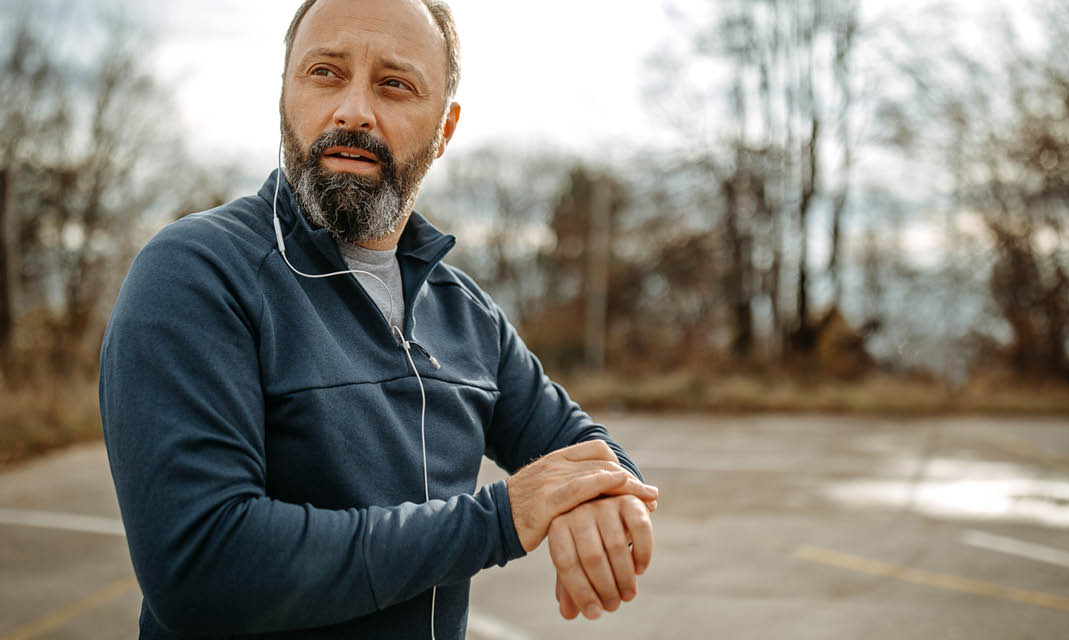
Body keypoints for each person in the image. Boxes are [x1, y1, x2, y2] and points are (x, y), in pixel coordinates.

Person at [98, 0, 658, 638]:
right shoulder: (195, 273)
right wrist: (500, 520)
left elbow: (592, 453)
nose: (353, 110)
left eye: (394, 84)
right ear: (285, 96)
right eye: (326, 73)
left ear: (444, 129)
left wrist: (605, 500)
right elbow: (203, 568)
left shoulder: (465, 310)